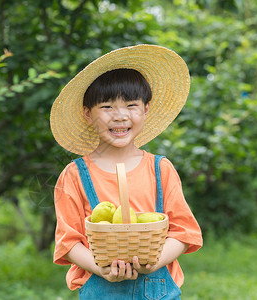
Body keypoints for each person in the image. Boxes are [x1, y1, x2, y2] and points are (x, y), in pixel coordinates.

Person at [50, 44, 203, 299]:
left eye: (131, 105)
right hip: (100, 286)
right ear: (88, 114)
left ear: (146, 109)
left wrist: (154, 261)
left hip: (157, 287)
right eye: (107, 107)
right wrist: (100, 267)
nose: (120, 116)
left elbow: (183, 232)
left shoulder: (160, 170)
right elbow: (68, 242)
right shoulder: (75, 175)